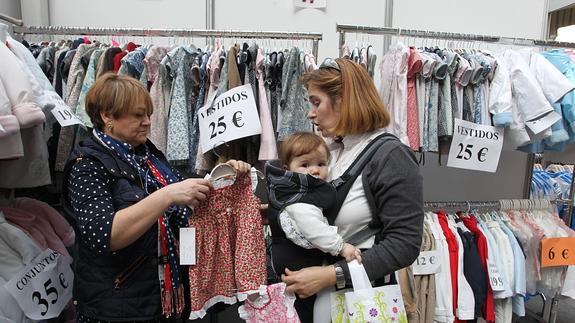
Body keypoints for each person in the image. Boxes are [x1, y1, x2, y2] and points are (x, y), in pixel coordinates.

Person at [62, 73, 251, 323]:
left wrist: (226, 180)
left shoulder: (148, 156)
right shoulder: (86, 165)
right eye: (138, 115)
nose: (148, 122)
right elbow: (104, 235)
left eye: (148, 114)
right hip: (117, 308)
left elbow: (187, 206)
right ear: (107, 116)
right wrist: (167, 195)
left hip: (163, 300)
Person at [281, 58, 424, 322]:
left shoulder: (391, 157)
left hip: (357, 303)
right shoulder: (331, 154)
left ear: (344, 100)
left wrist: (330, 276)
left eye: (316, 102)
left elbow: (404, 244)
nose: (310, 114)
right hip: (314, 300)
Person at [265, 131, 362, 322]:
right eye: (305, 165)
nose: (315, 170)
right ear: (288, 169)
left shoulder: (294, 191)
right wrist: (342, 247)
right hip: (300, 270)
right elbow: (314, 229)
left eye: (321, 164)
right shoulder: (300, 200)